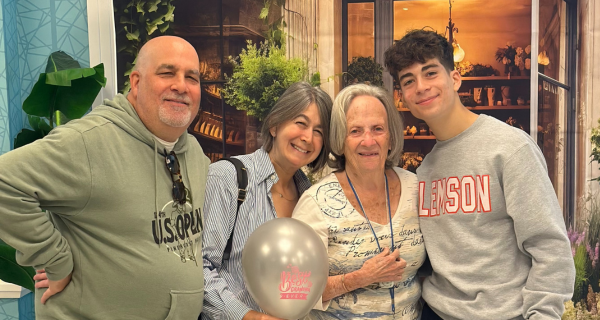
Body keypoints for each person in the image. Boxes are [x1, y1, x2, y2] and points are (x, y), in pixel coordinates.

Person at [0, 36, 209, 319]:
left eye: (192, 78)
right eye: (167, 73)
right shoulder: (89, 143)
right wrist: (56, 260)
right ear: (136, 82)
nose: (181, 86)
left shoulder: (194, 153)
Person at [384, 29, 575, 320]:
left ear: (455, 78)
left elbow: (550, 248)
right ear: (403, 97)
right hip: (435, 312)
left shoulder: (510, 148)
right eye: (408, 81)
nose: (421, 86)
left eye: (430, 73)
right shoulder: (425, 169)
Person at [292, 83, 426, 320]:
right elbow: (295, 290)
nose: (368, 140)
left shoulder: (416, 188)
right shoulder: (316, 203)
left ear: (391, 138)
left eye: (377, 129)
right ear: (340, 140)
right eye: (355, 131)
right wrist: (360, 277)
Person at [201, 81, 333, 320]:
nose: (307, 137)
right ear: (274, 125)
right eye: (300, 123)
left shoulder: (311, 197)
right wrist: (249, 317)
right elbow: (199, 268)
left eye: (319, 132)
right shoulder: (229, 177)